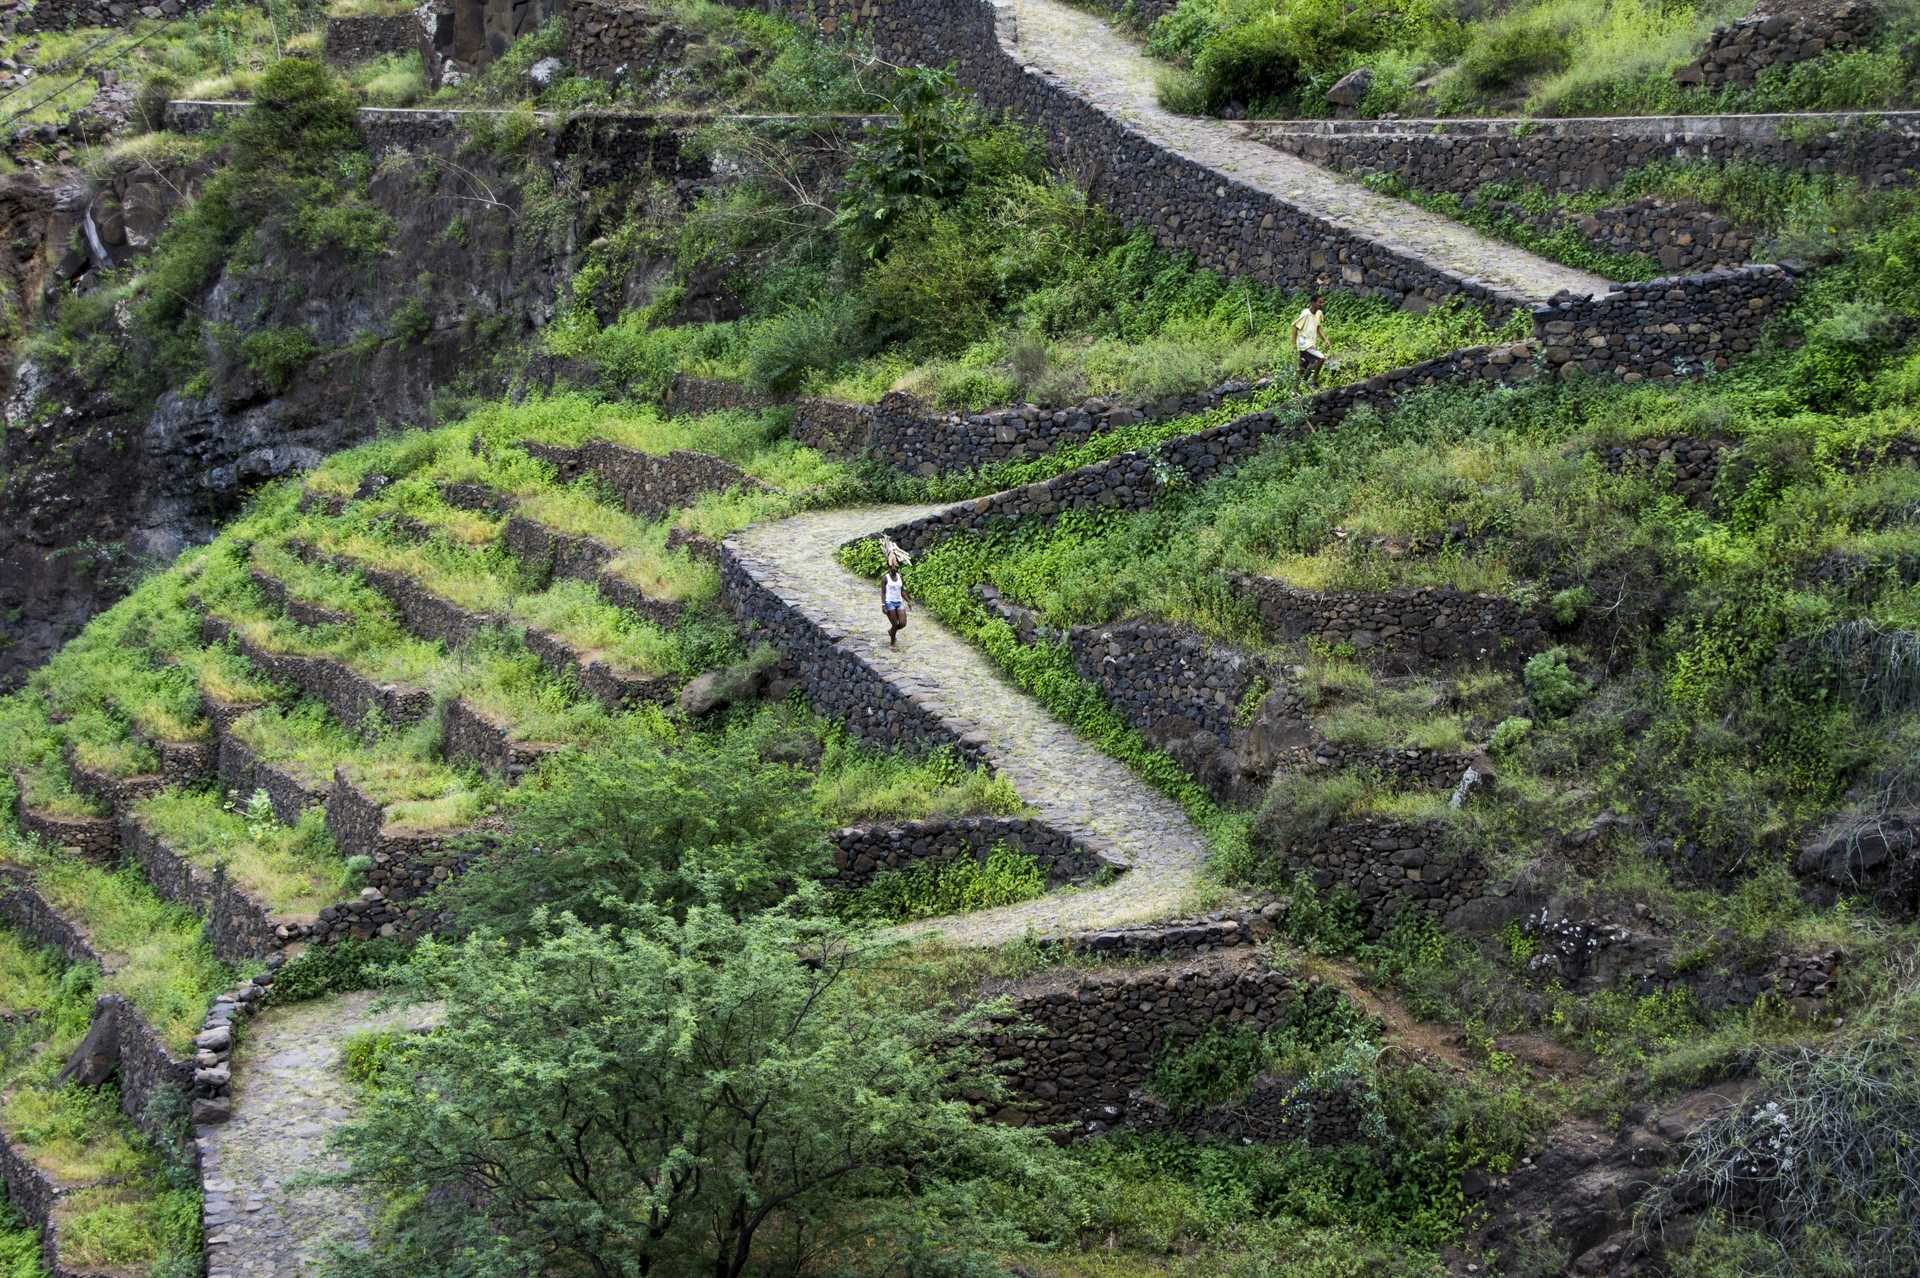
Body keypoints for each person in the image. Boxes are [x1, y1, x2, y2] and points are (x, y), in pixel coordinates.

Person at [1292, 294, 1327, 389]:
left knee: (1302, 368)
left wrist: (1325, 340)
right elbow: (1295, 326)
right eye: (1319, 302)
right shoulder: (1306, 314)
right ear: (1313, 303)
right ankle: (1313, 381)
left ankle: (1294, 390)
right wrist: (1294, 344)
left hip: (1310, 345)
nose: (1321, 304)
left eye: (1322, 302)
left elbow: (1318, 328)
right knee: (1321, 358)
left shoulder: (1318, 313)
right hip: (1304, 345)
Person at [881, 563, 908, 647]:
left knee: (903, 623)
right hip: (889, 602)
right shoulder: (885, 578)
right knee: (895, 624)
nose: (894, 568)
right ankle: (892, 643)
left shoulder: (900, 577)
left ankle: (891, 631)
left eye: (896, 567)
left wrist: (908, 601)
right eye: (892, 567)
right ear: (889, 567)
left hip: (899, 602)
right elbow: (883, 592)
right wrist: (883, 605)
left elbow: (902, 590)